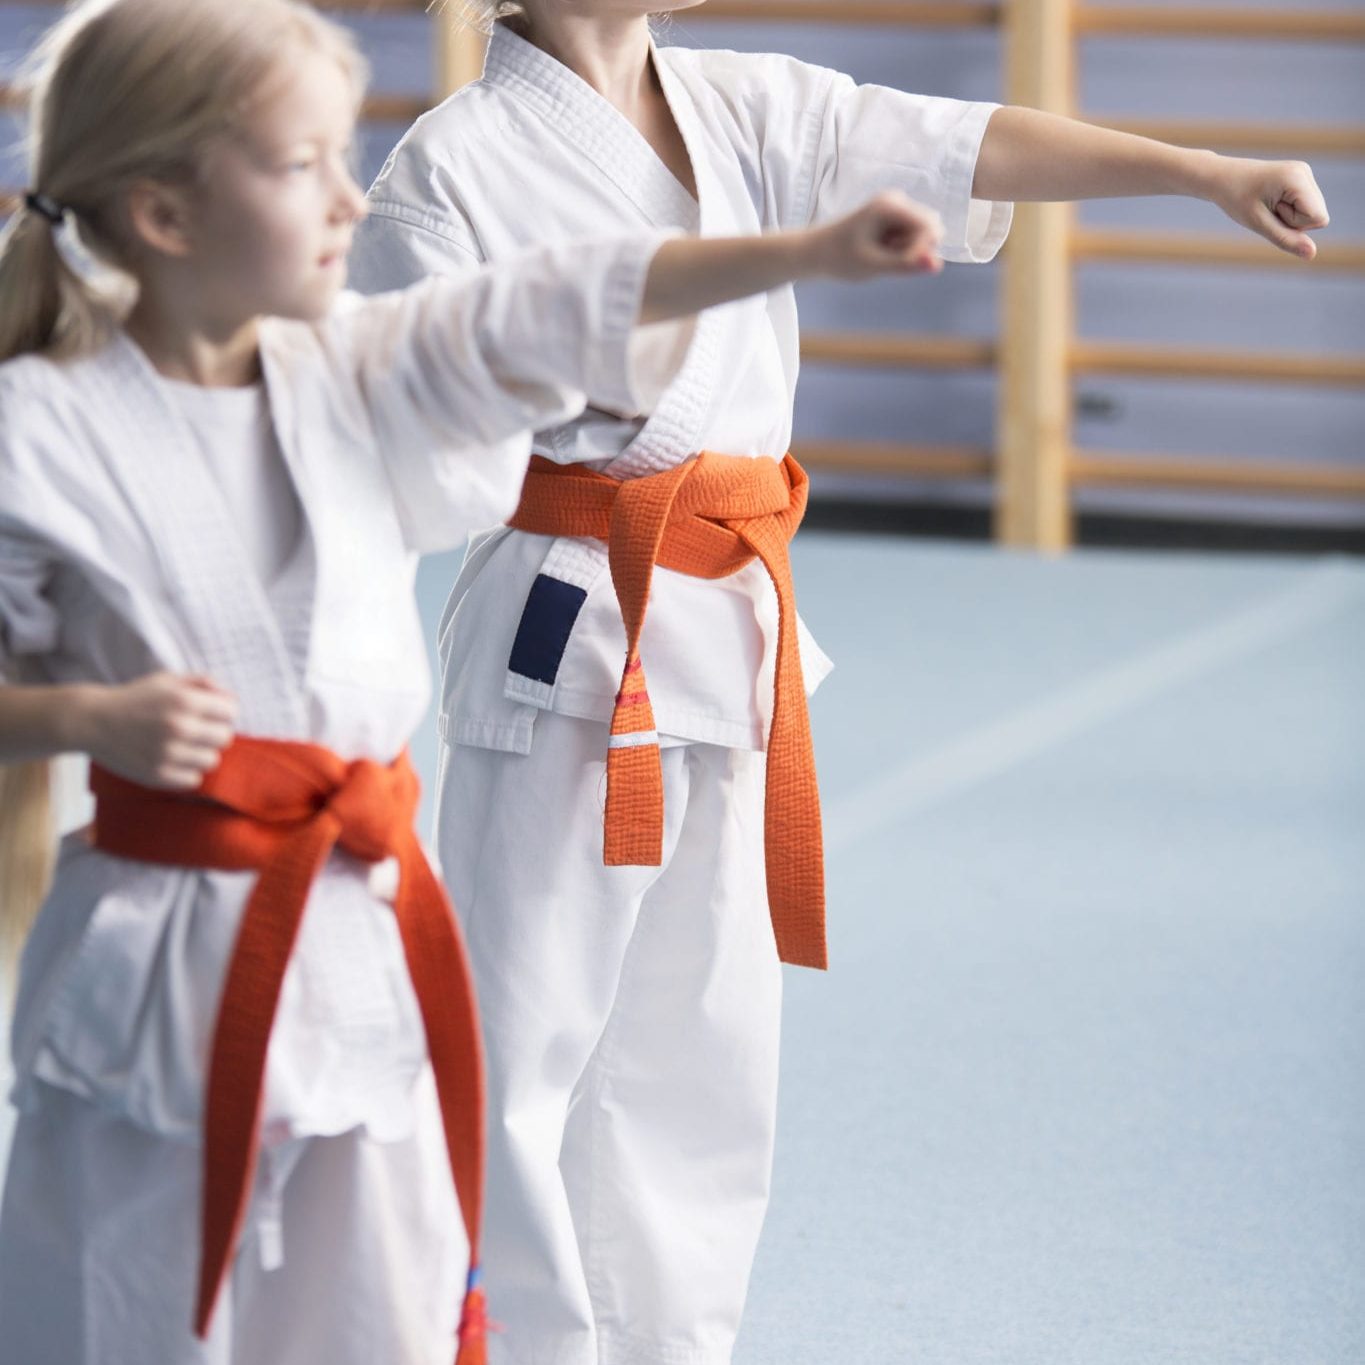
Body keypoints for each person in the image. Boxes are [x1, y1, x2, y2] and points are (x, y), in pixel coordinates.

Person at [349, 4, 1332, 1363]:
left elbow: (964, 141)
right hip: (569, 641)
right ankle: (513, 1343)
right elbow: (411, 415)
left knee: (707, 1051)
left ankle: (675, 1342)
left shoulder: (741, 104)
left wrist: (1198, 170)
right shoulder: (450, 169)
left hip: (733, 633)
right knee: (525, 1048)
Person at [0, 0, 948, 1361]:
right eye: (300, 164)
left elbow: (538, 305)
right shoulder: (38, 429)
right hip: (161, 948)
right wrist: (85, 719)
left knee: (371, 1303)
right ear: (161, 212)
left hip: (359, 938)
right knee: (138, 1294)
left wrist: (801, 249)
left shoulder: (346, 369)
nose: (347, 197)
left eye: (342, 156)